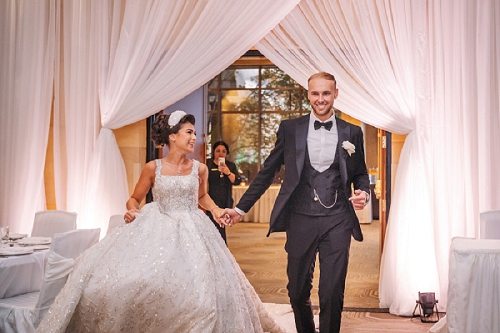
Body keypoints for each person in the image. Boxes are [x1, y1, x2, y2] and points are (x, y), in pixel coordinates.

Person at [36, 111, 285, 333]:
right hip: (156, 223)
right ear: (172, 136)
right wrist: (132, 211)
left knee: (201, 286)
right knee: (141, 282)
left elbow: (201, 196)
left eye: (194, 133)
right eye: (189, 132)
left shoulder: (199, 169)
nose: (193, 138)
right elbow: (134, 199)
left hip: (193, 227)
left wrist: (217, 210)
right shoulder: (152, 168)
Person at [227, 72, 370, 333]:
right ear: (308, 94)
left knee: (332, 291)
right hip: (300, 217)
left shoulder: (353, 132)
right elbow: (267, 171)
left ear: (335, 94)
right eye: (315, 93)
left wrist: (364, 192)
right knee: (296, 290)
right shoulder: (290, 129)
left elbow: (360, 172)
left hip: (338, 219)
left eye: (326, 93)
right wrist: (240, 208)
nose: (321, 99)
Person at [206, 140, 241, 243]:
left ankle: (222, 253)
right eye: (218, 151)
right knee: (209, 227)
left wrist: (228, 172)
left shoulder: (230, 165)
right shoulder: (207, 164)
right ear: (213, 152)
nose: (220, 153)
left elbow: (237, 181)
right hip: (209, 201)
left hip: (224, 201)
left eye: (223, 151)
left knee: (221, 229)